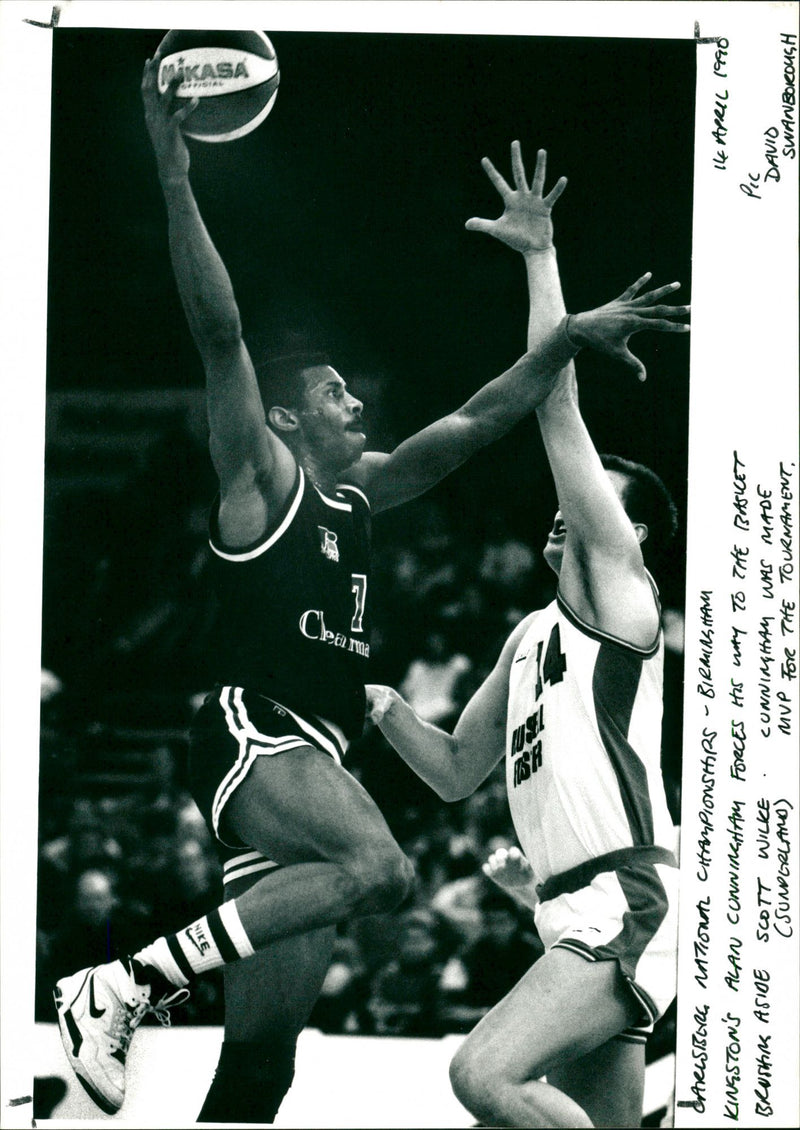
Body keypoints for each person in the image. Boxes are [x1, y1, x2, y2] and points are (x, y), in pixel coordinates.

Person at [54, 57, 685, 1123]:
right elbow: (220, 333)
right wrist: (174, 178)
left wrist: (564, 334)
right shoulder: (261, 477)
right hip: (260, 734)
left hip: (319, 757)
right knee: (383, 868)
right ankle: (119, 981)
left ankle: (175, 1022)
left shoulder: (363, 497)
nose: (355, 400)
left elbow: (482, 419)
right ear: (291, 420)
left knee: (263, 1063)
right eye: (335, 390)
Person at [365, 141, 687, 1127]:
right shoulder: (527, 636)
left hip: (624, 900)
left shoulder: (619, 594)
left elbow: (553, 403)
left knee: (480, 1075)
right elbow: (459, 768)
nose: (568, 511)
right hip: (568, 910)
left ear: (628, 531)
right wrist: (375, 703)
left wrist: (538, 256)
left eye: (595, 502)